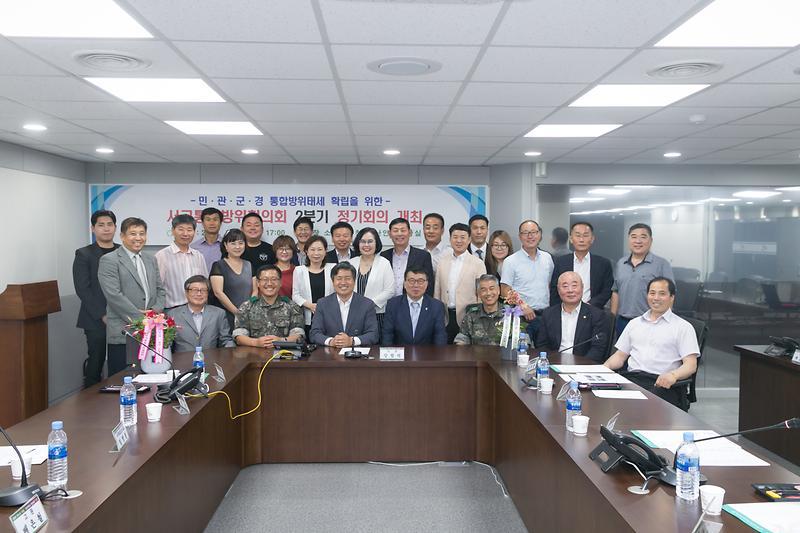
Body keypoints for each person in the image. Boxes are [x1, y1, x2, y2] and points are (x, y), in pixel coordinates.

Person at [604, 277, 699, 411]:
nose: (656, 298)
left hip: (662, 384)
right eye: (652, 293)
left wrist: (673, 376)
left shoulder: (683, 327)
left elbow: (691, 365)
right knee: (601, 398)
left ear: (672, 297)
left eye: (662, 293)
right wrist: (604, 367)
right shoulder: (634, 323)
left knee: (639, 408)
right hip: (632, 380)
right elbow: (620, 356)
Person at [98, 217, 165, 377]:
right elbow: (114, 295)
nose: (138, 238)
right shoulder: (109, 260)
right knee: (123, 380)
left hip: (151, 331)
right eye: (133, 233)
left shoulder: (150, 259)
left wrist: (153, 313)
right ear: (122, 236)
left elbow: (160, 290)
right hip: (124, 332)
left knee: (150, 378)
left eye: (142, 233)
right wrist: (141, 319)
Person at [73, 209, 120, 387]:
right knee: (96, 360)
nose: (106, 229)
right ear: (93, 228)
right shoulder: (84, 254)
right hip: (95, 318)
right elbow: (83, 289)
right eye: (101, 225)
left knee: (121, 361)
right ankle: (90, 399)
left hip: (121, 316)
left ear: (115, 227)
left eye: (110, 224)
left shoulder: (122, 251)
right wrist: (102, 314)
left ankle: (120, 393)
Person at [610, 223, 675, 337]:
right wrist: (612, 319)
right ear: (629, 239)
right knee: (621, 349)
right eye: (634, 237)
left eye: (643, 237)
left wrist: (666, 323)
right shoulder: (621, 263)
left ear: (651, 240)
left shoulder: (661, 264)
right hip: (623, 322)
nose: (638, 241)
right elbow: (616, 292)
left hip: (650, 322)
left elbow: (670, 295)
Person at [535, 272, 608, 362]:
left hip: (583, 365)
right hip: (554, 364)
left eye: (574, 286)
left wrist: (579, 366)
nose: (570, 290)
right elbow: (542, 345)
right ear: (558, 290)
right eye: (565, 286)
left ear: (582, 288)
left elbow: (598, 349)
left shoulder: (597, 315)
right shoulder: (548, 314)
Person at [500, 220, 554, 339]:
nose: (530, 236)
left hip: (545, 315)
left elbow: (549, 285)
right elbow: (504, 290)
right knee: (523, 349)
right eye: (525, 233)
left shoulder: (547, 258)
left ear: (539, 234)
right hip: (521, 317)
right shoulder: (510, 261)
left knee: (545, 348)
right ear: (520, 236)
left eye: (534, 232)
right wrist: (522, 305)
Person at [434, 223, 487, 343]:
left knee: (466, 351)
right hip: (445, 317)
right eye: (455, 237)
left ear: (469, 240)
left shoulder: (478, 263)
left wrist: (478, 317)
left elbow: (481, 293)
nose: (458, 241)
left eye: (462, 237)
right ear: (450, 239)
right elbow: (437, 291)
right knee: (444, 350)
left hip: (468, 317)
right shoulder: (442, 262)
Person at [233, 265, 305, 348]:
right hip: (254, 354)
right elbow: (239, 336)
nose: (269, 283)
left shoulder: (292, 306)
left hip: (283, 353)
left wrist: (281, 341)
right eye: (265, 279)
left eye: (274, 279)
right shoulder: (246, 307)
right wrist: (256, 343)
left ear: (280, 282)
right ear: (258, 283)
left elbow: (298, 335)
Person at [310, 262, 379, 347]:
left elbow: (373, 334)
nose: (343, 282)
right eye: (339, 278)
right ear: (333, 281)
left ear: (354, 281)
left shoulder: (367, 304)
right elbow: (314, 333)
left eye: (347, 278)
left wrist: (351, 341)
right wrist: (331, 341)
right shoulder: (322, 304)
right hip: (330, 352)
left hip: (358, 353)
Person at [549, 221, 614, 309]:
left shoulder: (603, 264)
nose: (581, 240)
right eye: (578, 235)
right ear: (571, 239)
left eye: (585, 235)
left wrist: (589, 306)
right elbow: (554, 289)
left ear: (592, 239)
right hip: (566, 311)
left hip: (593, 310)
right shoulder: (561, 262)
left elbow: (607, 290)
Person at [347, 227, 394, 338]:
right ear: (358, 243)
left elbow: (389, 290)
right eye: (363, 241)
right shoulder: (350, 263)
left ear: (376, 244)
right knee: (353, 344)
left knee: (374, 346)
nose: (366, 245)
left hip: (376, 314)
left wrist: (368, 305)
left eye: (370, 241)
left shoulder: (384, 263)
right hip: (352, 314)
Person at [155, 214, 208, 310]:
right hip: (172, 310)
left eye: (189, 230)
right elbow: (156, 286)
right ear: (173, 231)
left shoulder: (198, 256)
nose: (185, 234)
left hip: (197, 308)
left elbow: (204, 284)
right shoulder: (162, 255)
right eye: (181, 229)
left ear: (194, 232)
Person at [170, 275, 235, 353]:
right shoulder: (173, 315)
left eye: (203, 290)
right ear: (186, 293)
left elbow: (226, 340)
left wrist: (232, 353)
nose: (199, 294)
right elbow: (167, 344)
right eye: (195, 290)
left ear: (207, 293)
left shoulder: (218, 313)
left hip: (211, 359)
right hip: (182, 359)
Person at [382, 268, 446, 345]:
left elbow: (440, 336)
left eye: (420, 281)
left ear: (426, 284)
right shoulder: (393, 304)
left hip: (427, 352)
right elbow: (387, 334)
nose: (416, 285)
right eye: (411, 281)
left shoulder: (436, 306)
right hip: (401, 351)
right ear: (404, 284)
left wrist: (438, 352)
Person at [210, 229, 257, 328]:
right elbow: (218, 293)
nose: (237, 247)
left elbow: (255, 290)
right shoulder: (218, 265)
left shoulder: (249, 264)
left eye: (241, 243)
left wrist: (248, 309)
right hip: (225, 316)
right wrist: (237, 312)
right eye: (233, 243)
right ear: (225, 246)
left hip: (248, 315)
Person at [380, 217, 434, 297]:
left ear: (410, 233)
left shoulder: (423, 256)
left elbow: (429, 284)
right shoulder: (384, 256)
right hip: (387, 302)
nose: (399, 234)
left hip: (413, 302)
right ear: (389, 234)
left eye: (403, 230)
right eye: (395, 230)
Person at [292, 235, 334, 335]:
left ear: (325, 251)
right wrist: (310, 306)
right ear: (306, 251)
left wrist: (324, 307)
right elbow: (295, 295)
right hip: (307, 317)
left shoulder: (333, 268)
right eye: (312, 249)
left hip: (330, 317)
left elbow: (339, 292)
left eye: (320, 249)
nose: (316, 253)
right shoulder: (299, 270)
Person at [454, 275, 506, 345]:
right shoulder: (471, 315)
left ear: (498, 290)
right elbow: (462, 339)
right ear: (478, 293)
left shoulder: (509, 314)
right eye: (483, 290)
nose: (488, 293)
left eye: (491, 289)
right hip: (476, 352)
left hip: (503, 352)